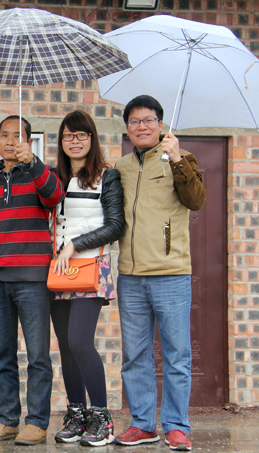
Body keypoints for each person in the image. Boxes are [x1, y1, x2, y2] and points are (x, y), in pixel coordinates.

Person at [114, 95, 206, 452]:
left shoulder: (181, 159)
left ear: (160, 124)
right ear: (127, 128)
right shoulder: (121, 167)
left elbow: (196, 200)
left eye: (148, 120)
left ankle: (177, 426)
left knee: (177, 355)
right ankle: (142, 424)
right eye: (135, 121)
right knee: (135, 355)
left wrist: (178, 159)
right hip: (130, 275)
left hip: (171, 273)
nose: (142, 126)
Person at [0, 115, 64, 446]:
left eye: (18, 136)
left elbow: (55, 197)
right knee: (3, 355)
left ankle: (37, 422)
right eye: (5, 135)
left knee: (38, 355)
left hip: (33, 280)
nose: (11, 141)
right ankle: (6, 419)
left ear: (29, 141)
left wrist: (34, 163)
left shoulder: (41, 173)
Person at [50, 111, 125, 447]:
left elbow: (116, 225)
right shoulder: (54, 177)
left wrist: (75, 244)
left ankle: (102, 418)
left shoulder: (107, 176)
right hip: (58, 271)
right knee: (66, 347)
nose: (75, 141)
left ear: (92, 139)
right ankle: (77, 414)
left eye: (81, 135)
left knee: (80, 341)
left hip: (90, 267)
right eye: (68, 135)